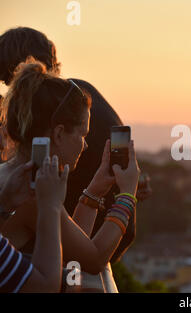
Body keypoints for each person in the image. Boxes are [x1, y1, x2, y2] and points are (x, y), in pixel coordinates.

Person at [0, 27, 151, 262]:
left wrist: (95, 191)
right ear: (59, 134)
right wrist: (127, 195)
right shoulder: (31, 191)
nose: (86, 145)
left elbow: (72, 243)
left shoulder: (18, 175)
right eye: (82, 135)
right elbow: (92, 258)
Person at [0, 154, 66, 292]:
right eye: (81, 135)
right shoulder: (33, 204)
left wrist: (4, 204)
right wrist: (51, 205)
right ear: (57, 134)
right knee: (74, 278)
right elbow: (45, 288)